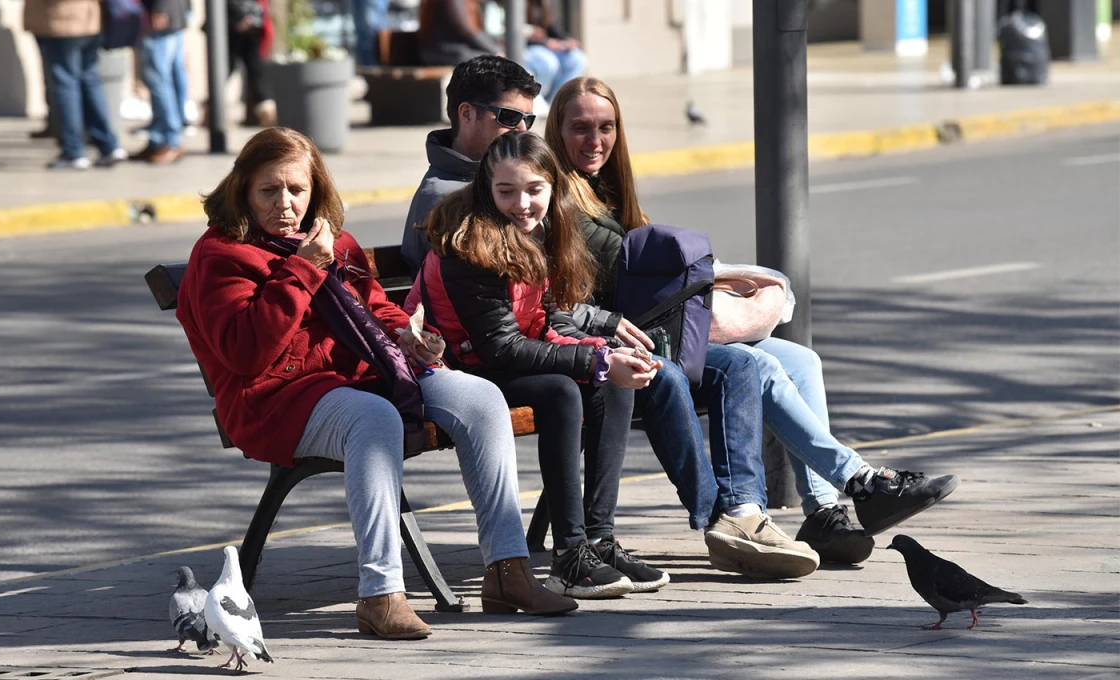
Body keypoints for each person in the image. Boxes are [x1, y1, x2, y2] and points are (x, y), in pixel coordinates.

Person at [175, 127, 577, 641]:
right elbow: (246, 352)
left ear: (315, 190)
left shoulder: (331, 240)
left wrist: (410, 338)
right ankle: (381, 593)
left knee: (480, 397)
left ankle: (507, 572)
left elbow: (375, 306)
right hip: (276, 399)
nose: (285, 205)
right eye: (268, 191)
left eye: (297, 190)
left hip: (362, 375)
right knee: (375, 417)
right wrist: (301, 270)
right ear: (243, 192)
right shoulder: (222, 255)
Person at [546, 76, 962, 567]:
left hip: (664, 333)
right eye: (580, 128)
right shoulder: (559, 200)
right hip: (621, 347)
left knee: (802, 360)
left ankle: (824, 512)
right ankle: (859, 483)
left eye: (606, 127)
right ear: (557, 130)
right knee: (751, 365)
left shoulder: (612, 194)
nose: (595, 141)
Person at [409, 130, 669, 598]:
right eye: (506, 191)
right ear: (486, 189)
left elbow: (545, 322)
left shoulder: (541, 232)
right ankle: (568, 557)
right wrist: (597, 359)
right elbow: (500, 349)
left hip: (494, 358)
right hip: (454, 371)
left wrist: (606, 353)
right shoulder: (469, 244)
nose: (522, 203)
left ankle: (599, 540)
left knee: (610, 382)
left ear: (553, 186)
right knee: (562, 390)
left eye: (534, 189)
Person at [401, 55, 541, 276]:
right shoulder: (448, 197)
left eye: (528, 119)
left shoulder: (496, 177)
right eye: (510, 117)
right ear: (467, 113)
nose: (523, 129)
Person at [23, 0, 128, 170]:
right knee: (90, 80)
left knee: (66, 83)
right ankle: (109, 145)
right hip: (90, 18)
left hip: (62, 19)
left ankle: (74, 151)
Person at [136, 0, 189, 163]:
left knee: (159, 82)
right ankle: (159, 140)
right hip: (171, 12)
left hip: (161, 14)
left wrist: (161, 9)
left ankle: (168, 141)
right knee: (168, 79)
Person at [522, 0, 586, 114]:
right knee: (548, 62)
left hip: (543, 45)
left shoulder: (540, 4)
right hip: (524, 46)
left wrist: (566, 40)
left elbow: (549, 26)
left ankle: (558, 101)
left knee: (577, 58)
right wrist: (546, 42)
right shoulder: (515, 4)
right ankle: (535, 98)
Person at [418, 0, 500, 67]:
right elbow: (466, 29)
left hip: (447, 50)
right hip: (446, 52)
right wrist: (496, 50)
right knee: (494, 61)